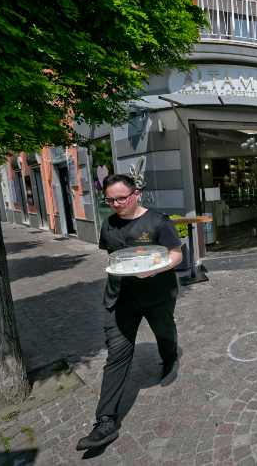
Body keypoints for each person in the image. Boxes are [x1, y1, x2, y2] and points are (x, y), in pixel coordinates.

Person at [76, 174, 183, 451]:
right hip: (120, 299)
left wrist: (156, 269)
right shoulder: (109, 223)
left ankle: (170, 358)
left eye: (120, 198)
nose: (115, 204)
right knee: (117, 355)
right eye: (109, 200)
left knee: (164, 333)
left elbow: (176, 254)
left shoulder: (158, 221)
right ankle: (105, 421)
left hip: (157, 295)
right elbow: (113, 256)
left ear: (135, 194)